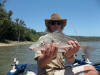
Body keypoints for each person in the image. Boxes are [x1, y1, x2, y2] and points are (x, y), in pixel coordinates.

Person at [30, 13, 98, 75]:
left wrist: (69, 55)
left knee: (91, 69)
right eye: (53, 23)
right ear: (49, 25)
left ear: (61, 25)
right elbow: (40, 64)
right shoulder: (43, 38)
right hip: (47, 73)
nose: (56, 25)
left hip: (62, 70)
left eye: (58, 23)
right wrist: (48, 56)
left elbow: (71, 61)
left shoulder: (66, 39)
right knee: (91, 70)